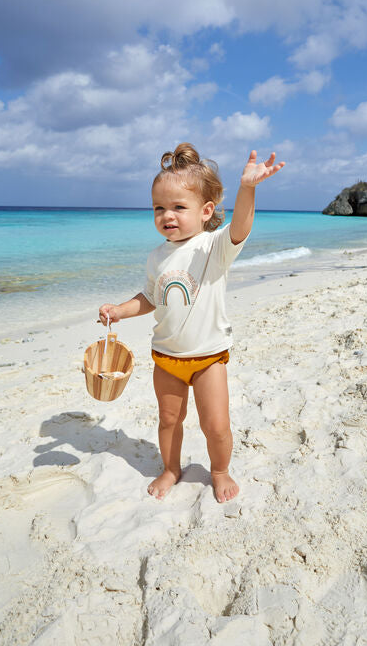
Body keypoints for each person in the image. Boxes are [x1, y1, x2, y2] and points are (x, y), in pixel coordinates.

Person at [99, 143, 284, 503]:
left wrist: (248, 188)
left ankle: (219, 470)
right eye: (159, 208)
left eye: (179, 207)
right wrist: (120, 310)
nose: (167, 215)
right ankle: (171, 468)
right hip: (166, 356)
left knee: (215, 426)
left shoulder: (213, 247)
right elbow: (152, 297)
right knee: (169, 420)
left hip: (208, 357)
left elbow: (241, 226)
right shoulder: (156, 257)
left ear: (206, 211)